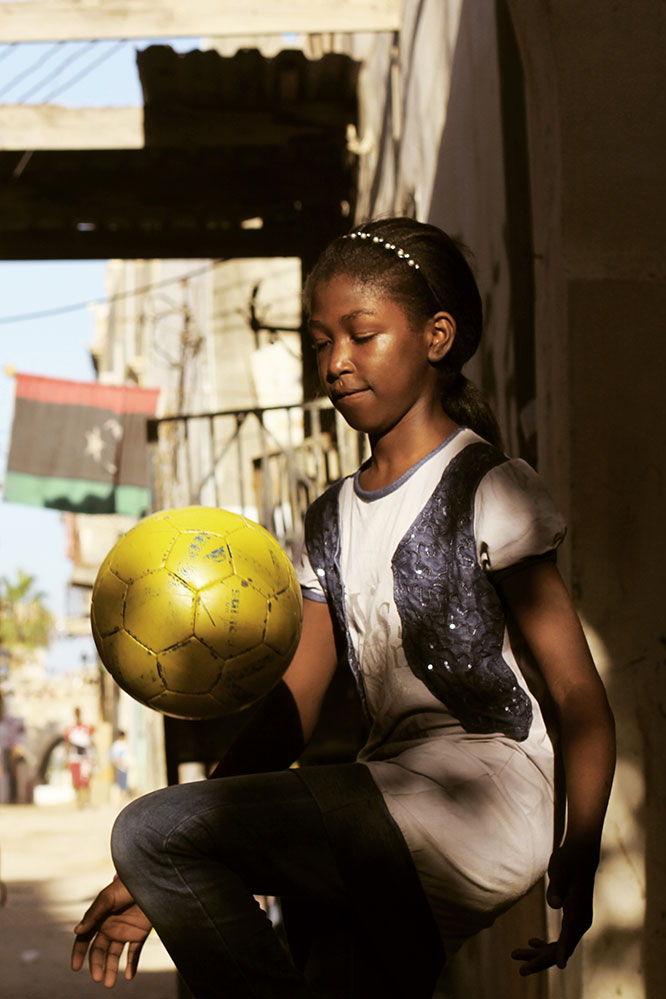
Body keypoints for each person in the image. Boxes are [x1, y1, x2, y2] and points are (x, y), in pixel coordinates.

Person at [71, 218, 615, 997]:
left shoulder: (488, 487)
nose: (335, 362)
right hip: (387, 804)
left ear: (436, 336)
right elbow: (293, 705)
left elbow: (575, 693)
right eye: (321, 340)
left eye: (362, 335)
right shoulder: (327, 517)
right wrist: (160, 868)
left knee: (145, 825)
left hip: (481, 803)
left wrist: (583, 846)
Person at [65, 707, 95, 808]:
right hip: (75, 758)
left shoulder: (87, 728)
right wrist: (67, 759)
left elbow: (91, 742)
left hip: (85, 758)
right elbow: (68, 744)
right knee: (77, 782)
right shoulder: (70, 729)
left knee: (85, 781)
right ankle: (79, 802)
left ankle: (86, 801)